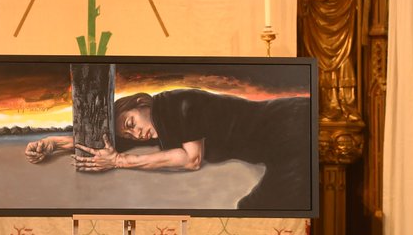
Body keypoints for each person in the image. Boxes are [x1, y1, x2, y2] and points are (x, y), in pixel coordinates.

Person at [24, 89, 312, 211]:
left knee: (253, 210)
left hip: (290, 126)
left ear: (141, 102)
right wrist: (53, 143)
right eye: (128, 134)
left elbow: (191, 159)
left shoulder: (179, 105)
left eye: (131, 123)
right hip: (281, 142)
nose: (136, 134)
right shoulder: (159, 123)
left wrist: (120, 161)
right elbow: (102, 143)